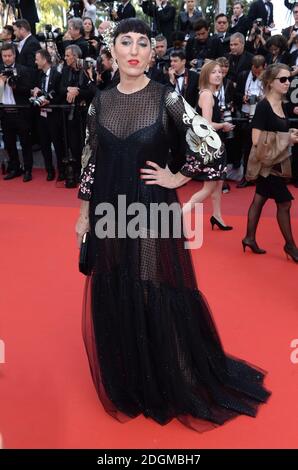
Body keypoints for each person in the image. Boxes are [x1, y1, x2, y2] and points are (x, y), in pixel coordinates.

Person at [76, 18, 270, 430]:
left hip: (151, 209)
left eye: (142, 43)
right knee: (116, 282)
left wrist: (178, 176)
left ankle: (165, 378)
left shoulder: (167, 99)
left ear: (152, 52)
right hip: (109, 207)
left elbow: (212, 144)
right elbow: (91, 159)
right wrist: (84, 213)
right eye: (124, 42)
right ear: (112, 50)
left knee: (151, 286)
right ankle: (129, 377)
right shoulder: (100, 101)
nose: (133, 49)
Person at [243, 64, 298, 262]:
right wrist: (286, 138)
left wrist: (289, 134)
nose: (287, 83)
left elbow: (278, 132)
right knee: (284, 203)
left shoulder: (282, 105)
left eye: (288, 79)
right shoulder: (263, 106)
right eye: (282, 79)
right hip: (268, 165)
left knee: (259, 198)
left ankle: (249, 238)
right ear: (270, 83)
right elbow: (256, 139)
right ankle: (290, 246)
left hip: (277, 161)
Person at [182, 61, 234, 230]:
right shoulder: (206, 95)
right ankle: (177, 215)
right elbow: (206, 125)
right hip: (211, 147)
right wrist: (223, 126)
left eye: (220, 72)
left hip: (216, 145)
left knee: (218, 184)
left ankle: (217, 216)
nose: (218, 74)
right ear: (206, 75)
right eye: (214, 72)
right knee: (209, 187)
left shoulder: (211, 94)